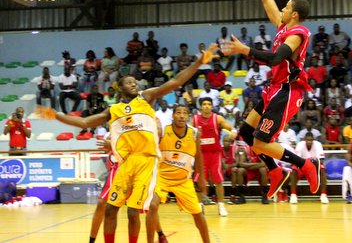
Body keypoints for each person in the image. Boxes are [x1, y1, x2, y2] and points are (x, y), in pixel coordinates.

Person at [36, 43, 218, 243]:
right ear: (120, 89)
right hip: (126, 162)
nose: (134, 84)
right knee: (110, 209)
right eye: (130, 83)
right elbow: (85, 122)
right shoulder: (114, 111)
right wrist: (57, 116)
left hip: (147, 163)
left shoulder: (145, 98)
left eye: (135, 82)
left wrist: (198, 62)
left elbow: (175, 81)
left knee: (133, 212)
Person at [222, 0, 321, 200]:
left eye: (287, 7)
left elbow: (277, 59)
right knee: (246, 133)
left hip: (287, 91)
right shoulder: (283, 26)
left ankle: (306, 165)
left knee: (259, 143)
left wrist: (246, 50)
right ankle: (276, 171)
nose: (283, 8)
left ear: (295, 14)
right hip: (273, 89)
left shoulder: (298, 33)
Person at [147, 104, 210, 243]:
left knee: (198, 214)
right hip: (162, 178)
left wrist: (202, 178)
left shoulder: (194, 133)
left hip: (183, 180)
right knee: (152, 206)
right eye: (178, 113)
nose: (181, 115)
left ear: (188, 116)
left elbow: (198, 156)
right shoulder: (162, 130)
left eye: (185, 113)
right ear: (173, 115)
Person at [192, 97, 237, 217]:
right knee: (199, 180)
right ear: (201, 106)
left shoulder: (217, 118)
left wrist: (233, 130)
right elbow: (188, 133)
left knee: (218, 180)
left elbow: (229, 127)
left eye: (209, 104)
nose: (206, 106)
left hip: (215, 153)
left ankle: (221, 205)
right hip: (200, 154)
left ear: (212, 106)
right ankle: (199, 205)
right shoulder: (195, 119)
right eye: (204, 104)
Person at [89, 133, 121, 243]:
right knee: (102, 205)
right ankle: (92, 240)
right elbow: (106, 143)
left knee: (145, 208)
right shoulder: (112, 133)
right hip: (117, 169)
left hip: (132, 167)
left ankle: (160, 233)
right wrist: (110, 142)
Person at [289, 132, 329, 204]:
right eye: (308, 140)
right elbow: (296, 160)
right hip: (302, 167)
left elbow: (321, 160)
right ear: (305, 140)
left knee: (323, 170)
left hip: (314, 168)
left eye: (311, 140)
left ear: (313, 140)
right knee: (294, 169)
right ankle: (293, 195)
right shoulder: (300, 145)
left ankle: (323, 195)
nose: (309, 142)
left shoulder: (318, 145)